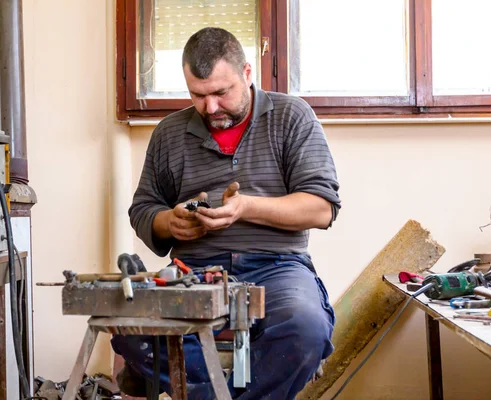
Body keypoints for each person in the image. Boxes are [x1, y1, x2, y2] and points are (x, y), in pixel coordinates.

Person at [112, 27, 341, 400]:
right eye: (198, 95)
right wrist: (170, 222)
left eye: (221, 92)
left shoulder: (291, 116)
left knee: (305, 328)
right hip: (194, 273)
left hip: (278, 268)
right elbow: (143, 210)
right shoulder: (169, 133)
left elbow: (321, 207)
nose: (211, 108)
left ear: (248, 74)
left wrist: (247, 207)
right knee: (128, 321)